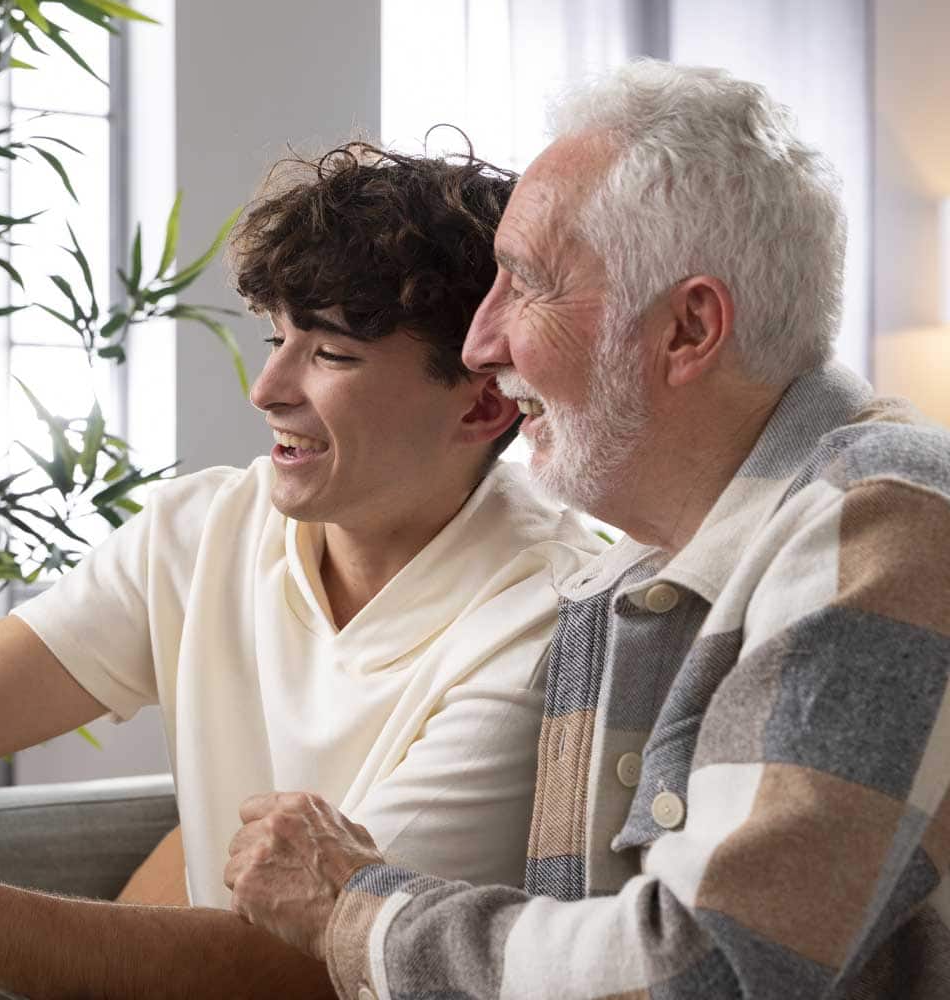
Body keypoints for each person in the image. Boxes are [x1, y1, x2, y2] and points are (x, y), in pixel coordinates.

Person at [224, 61, 950, 999]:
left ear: (689, 330)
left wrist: (355, 905)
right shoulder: (623, 581)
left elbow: (705, 971)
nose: (482, 347)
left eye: (524, 286)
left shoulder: (883, 528)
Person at [0, 142, 605, 998]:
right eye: (275, 336)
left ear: (483, 403)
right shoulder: (203, 531)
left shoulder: (553, 619)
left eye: (330, 355)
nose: (266, 388)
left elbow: (303, 965)